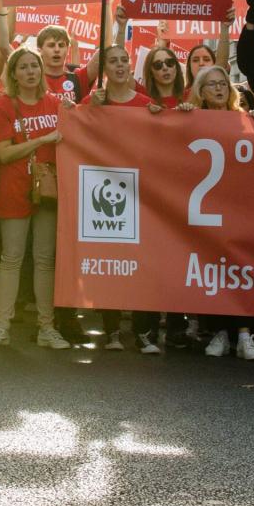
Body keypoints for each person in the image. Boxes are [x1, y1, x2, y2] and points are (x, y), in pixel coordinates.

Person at [80, 44, 163, 351]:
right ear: (103, 68)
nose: (119, 65)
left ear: (130, 66)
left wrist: (161, 117)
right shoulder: (94, 100)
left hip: (140, 194)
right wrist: (90, 109)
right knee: (109, 262)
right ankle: (112, 329)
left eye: (123, 60)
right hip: (105, 196)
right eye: (112, 61)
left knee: (142, 264)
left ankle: (144, 332)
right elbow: (80, 135)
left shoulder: (145, 103)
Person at [0, 47, 66, 349]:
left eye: (35, 66)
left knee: (45, 260)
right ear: (14, 74)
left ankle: (47, 327)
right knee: (11, 259)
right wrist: (41, 140)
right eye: (24, 67)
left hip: (46, 191)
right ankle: (1, 326)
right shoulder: (5, 105)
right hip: (14, 188)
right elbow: (3, 153)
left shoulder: (56, 103)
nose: (31, 71)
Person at [191, 65, 254, 361]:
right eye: (211, 85)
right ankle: (220, 332)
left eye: (223, 83)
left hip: (240, 206)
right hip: (208, 210)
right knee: (215, 269)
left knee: (240, 268)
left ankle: (245, 335)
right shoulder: (193, 120)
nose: (219, 89)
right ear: (201, 92)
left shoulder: (244, 119)